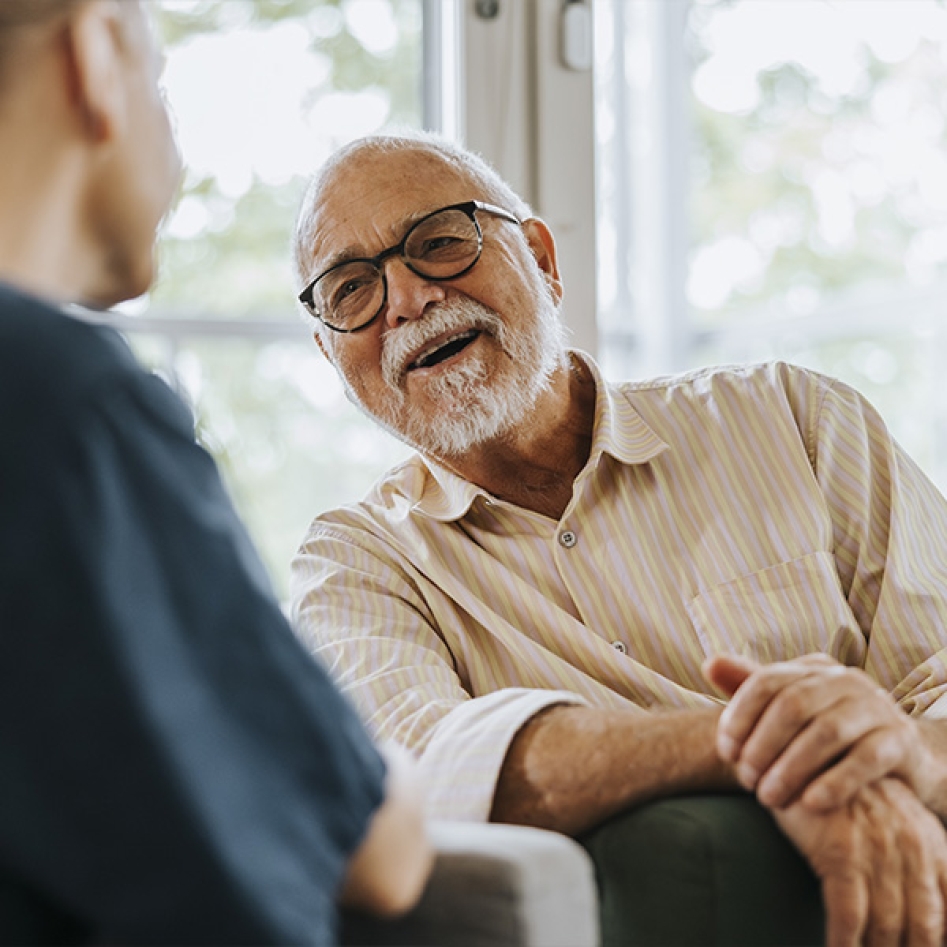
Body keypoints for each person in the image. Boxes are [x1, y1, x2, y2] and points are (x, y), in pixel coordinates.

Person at [291, 131, 947, 947]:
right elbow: (424, 772)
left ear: (539, 257)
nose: (406, 300)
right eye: (350, 288)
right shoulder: (352, 565)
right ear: (330, 354)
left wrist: (907, 753)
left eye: (440, 243)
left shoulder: (798, 417)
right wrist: (773, 744)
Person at [0, 3, 431, 943]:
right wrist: (381, 767)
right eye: (162, 85)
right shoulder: (62, 405)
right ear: (95, 57)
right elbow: (379, 854)